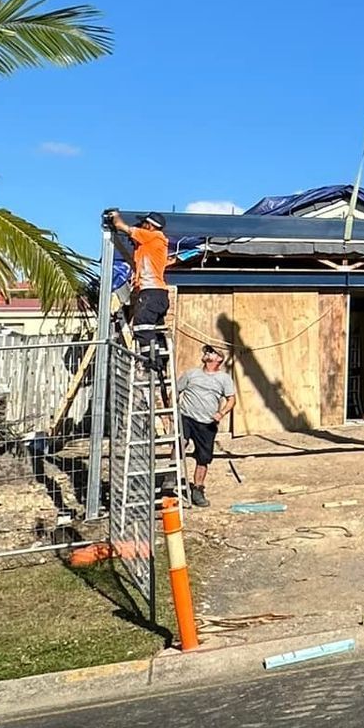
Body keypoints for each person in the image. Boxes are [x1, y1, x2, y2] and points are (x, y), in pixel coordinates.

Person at [175, 345, 236, 507]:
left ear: (219, 359)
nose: (207, 353)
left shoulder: (224, 379)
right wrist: (171, 410)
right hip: (187, 416)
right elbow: (175, 391)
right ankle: (171, 474)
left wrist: (221, 413)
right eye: (207, 351)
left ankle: (198, 489)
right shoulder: (191, 374)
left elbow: (231, 400)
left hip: (207, 423)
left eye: (212, 352)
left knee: (203, 458)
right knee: (181, 442)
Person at [107, 210, 171, 364]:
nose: (141, 226)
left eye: (143, 224)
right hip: (158, 294)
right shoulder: (152, 244)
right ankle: (160, 363)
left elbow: (122, 226)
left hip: (151, 292)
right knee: (154, 330)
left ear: (150, 226)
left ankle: (151, 362)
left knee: (142, 325)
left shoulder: (153, 236)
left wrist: (115, 216)